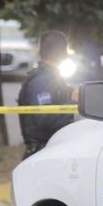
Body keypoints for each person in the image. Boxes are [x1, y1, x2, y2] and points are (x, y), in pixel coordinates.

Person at [17, 30, 76, 160]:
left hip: (50, 152)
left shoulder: (53, 78)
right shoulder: (42, 82)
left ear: (40, 52)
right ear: (63, 53)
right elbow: (45, 120)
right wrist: (72, 102)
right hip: (41, 154)